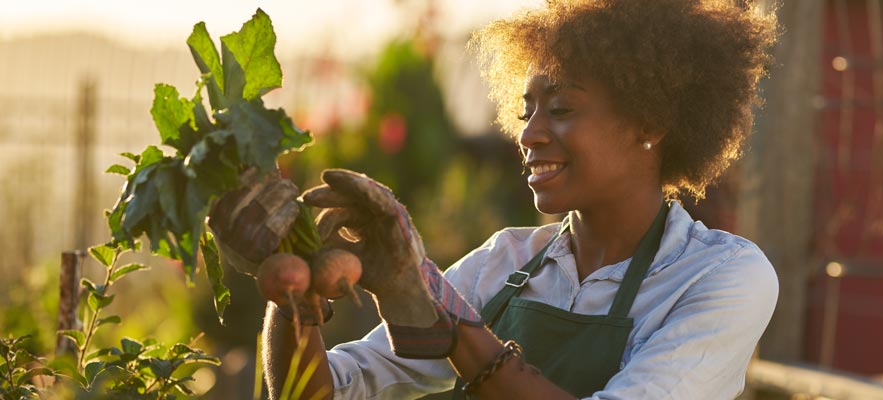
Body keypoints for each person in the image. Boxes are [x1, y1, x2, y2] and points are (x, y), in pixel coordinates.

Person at [208, 0, 780, 398]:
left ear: (649, 122)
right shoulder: (504, 263)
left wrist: (448, 320)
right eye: (525, 110)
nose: (528, 134)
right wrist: (291, 287)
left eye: (560, 109)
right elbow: (327, 391)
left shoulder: (721, 277)